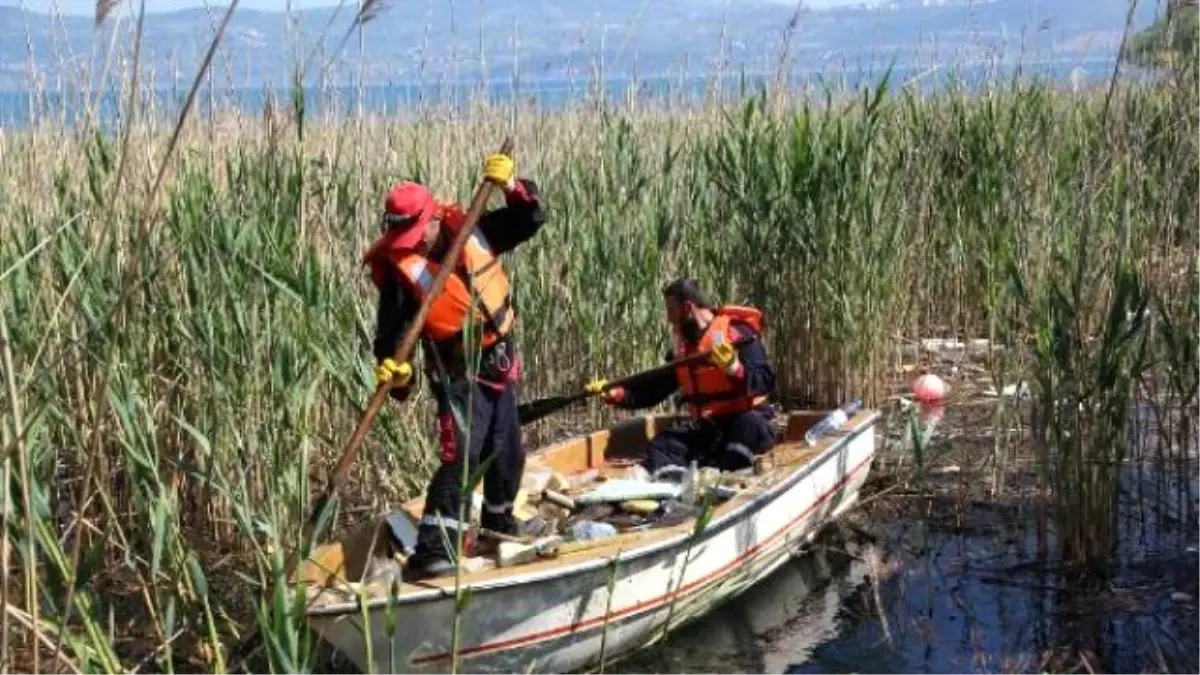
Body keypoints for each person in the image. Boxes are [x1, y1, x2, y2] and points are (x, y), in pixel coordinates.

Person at [362, 151, 545, 580]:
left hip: (499, 362)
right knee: (461, 457)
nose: (415, 245)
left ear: (430, 219)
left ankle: (499, 523)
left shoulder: (470, 228)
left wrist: (513, 187)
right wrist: (397, 371)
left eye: (417, 235)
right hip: (456, 374)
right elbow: (390, 340)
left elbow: (529, 221)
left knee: (507, 449)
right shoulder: (399, 276)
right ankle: (433, 552)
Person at [588, 278, 777, 479]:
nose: (669, 318)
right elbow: (656, 389)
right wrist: (619, 394)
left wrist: (734, 369)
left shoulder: (737, 333)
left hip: (744, 422)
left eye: (671, 310)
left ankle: (726, 475)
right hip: (710, 429)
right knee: (662, 444)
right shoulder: (683, 348)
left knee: (748, 428)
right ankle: (675, 487)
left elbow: (766, 380)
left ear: (688, 308)